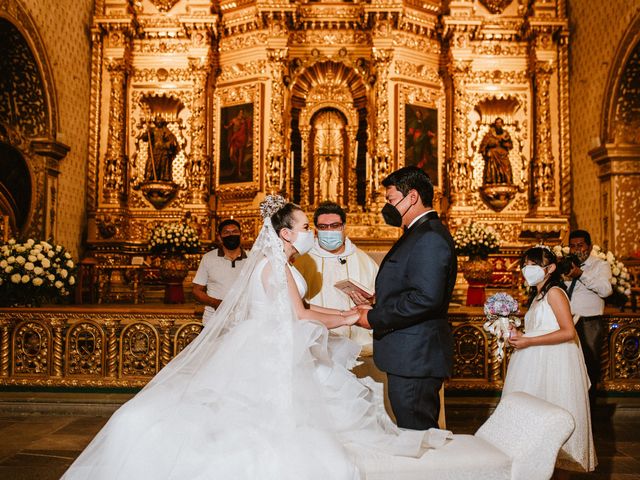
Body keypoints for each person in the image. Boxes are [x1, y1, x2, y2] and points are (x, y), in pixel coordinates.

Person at [62, 196, 446, 480]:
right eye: (305, 226)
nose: (311, 233)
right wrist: (355, 316)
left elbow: (306, 304)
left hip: (276, 338)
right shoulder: (275, 267)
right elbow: (301, 314)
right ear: (285, 232)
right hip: (273, 346)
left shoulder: (279, 264)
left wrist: (355, 314)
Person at [355, 166, 457, 430]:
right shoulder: (416, 232)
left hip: (416, 358)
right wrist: (380, 298)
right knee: (411, 431)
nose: (388, 206)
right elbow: (415, 285)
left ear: (411, 197)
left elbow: (426, 298)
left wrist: (374, 317)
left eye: (390, 199)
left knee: (418, 435)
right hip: (410, 356)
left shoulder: (429, 237)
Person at [504, 246, 596, 472]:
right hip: (535, 361)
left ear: (550, 268)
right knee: (532, 423)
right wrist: (518, 335)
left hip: (553, 363)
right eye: (525, 264)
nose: (527, 269)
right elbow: (541, 328)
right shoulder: (538, 295)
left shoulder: (555, 292)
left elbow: (568, 332)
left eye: (533, 265)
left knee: (552, 423)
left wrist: (529, 341)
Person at [294, 201, 378, 351]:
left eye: (335, 226)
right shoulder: (301, 261)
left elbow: (382, 300)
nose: (329, 231)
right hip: (315, 346)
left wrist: (372, 301)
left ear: (344, 227)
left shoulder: (365, 262)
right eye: (323, 227)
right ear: (315, 230)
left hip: (358, 345)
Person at [565, 229, 613, 407]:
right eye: (572, 246)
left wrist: (581, 275)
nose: (577, 249)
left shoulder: (600, 265)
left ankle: (589, 410)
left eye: (580, 245)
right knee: (569, 368)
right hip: (567, 322)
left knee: (589, 368)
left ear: (589, 246)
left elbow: (606, 290)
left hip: (590, 323)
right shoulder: (566, 265)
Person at [192, 219, 248, 324]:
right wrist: (215, 303)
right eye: (227, 232)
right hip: (213, 321)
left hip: (243, 322)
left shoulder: (252, 259)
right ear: (220, 238)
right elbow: (196, 291)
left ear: (241, 234)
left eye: (235, 231)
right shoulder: (208, 258)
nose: (231, 235)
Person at [142, 116, 179, 182]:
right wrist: (147, 133)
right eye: (157, 120)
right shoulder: (152, 130)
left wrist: (166, 145)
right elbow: (144, 138)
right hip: (154, 152)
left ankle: (163, 178)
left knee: (163, 166)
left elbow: (172, 141)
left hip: (163, 152)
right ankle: (149, 177)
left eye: (160, 120)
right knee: (151, 165)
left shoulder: (165, 130)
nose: (159, 122)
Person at [479, 117, 513, 185]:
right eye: (497, 123)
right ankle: (492, 180)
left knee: (506, 166)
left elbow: (510, 145)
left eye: (500, 123)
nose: (498, 125)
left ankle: (506, 180)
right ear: (495, 124)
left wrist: (504, 143)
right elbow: (484, 145)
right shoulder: (490, 134)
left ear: (502, 124)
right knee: (491, 157)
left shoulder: (506, 134)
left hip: (503, 154)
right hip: (493, 153)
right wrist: (490, 145)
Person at [224, 108, 251, 177]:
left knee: (240, 156)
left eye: (242, 113)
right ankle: (238, 167)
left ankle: (239, 170)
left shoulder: (245, 121)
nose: (241, 114)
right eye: (240, 112)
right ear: (238, 113)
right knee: (231, 155)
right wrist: (226, 127)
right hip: (235, 138)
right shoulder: (234, 120)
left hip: (242, 138)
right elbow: (229, 126)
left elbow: (248, 130)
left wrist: (249, 139)